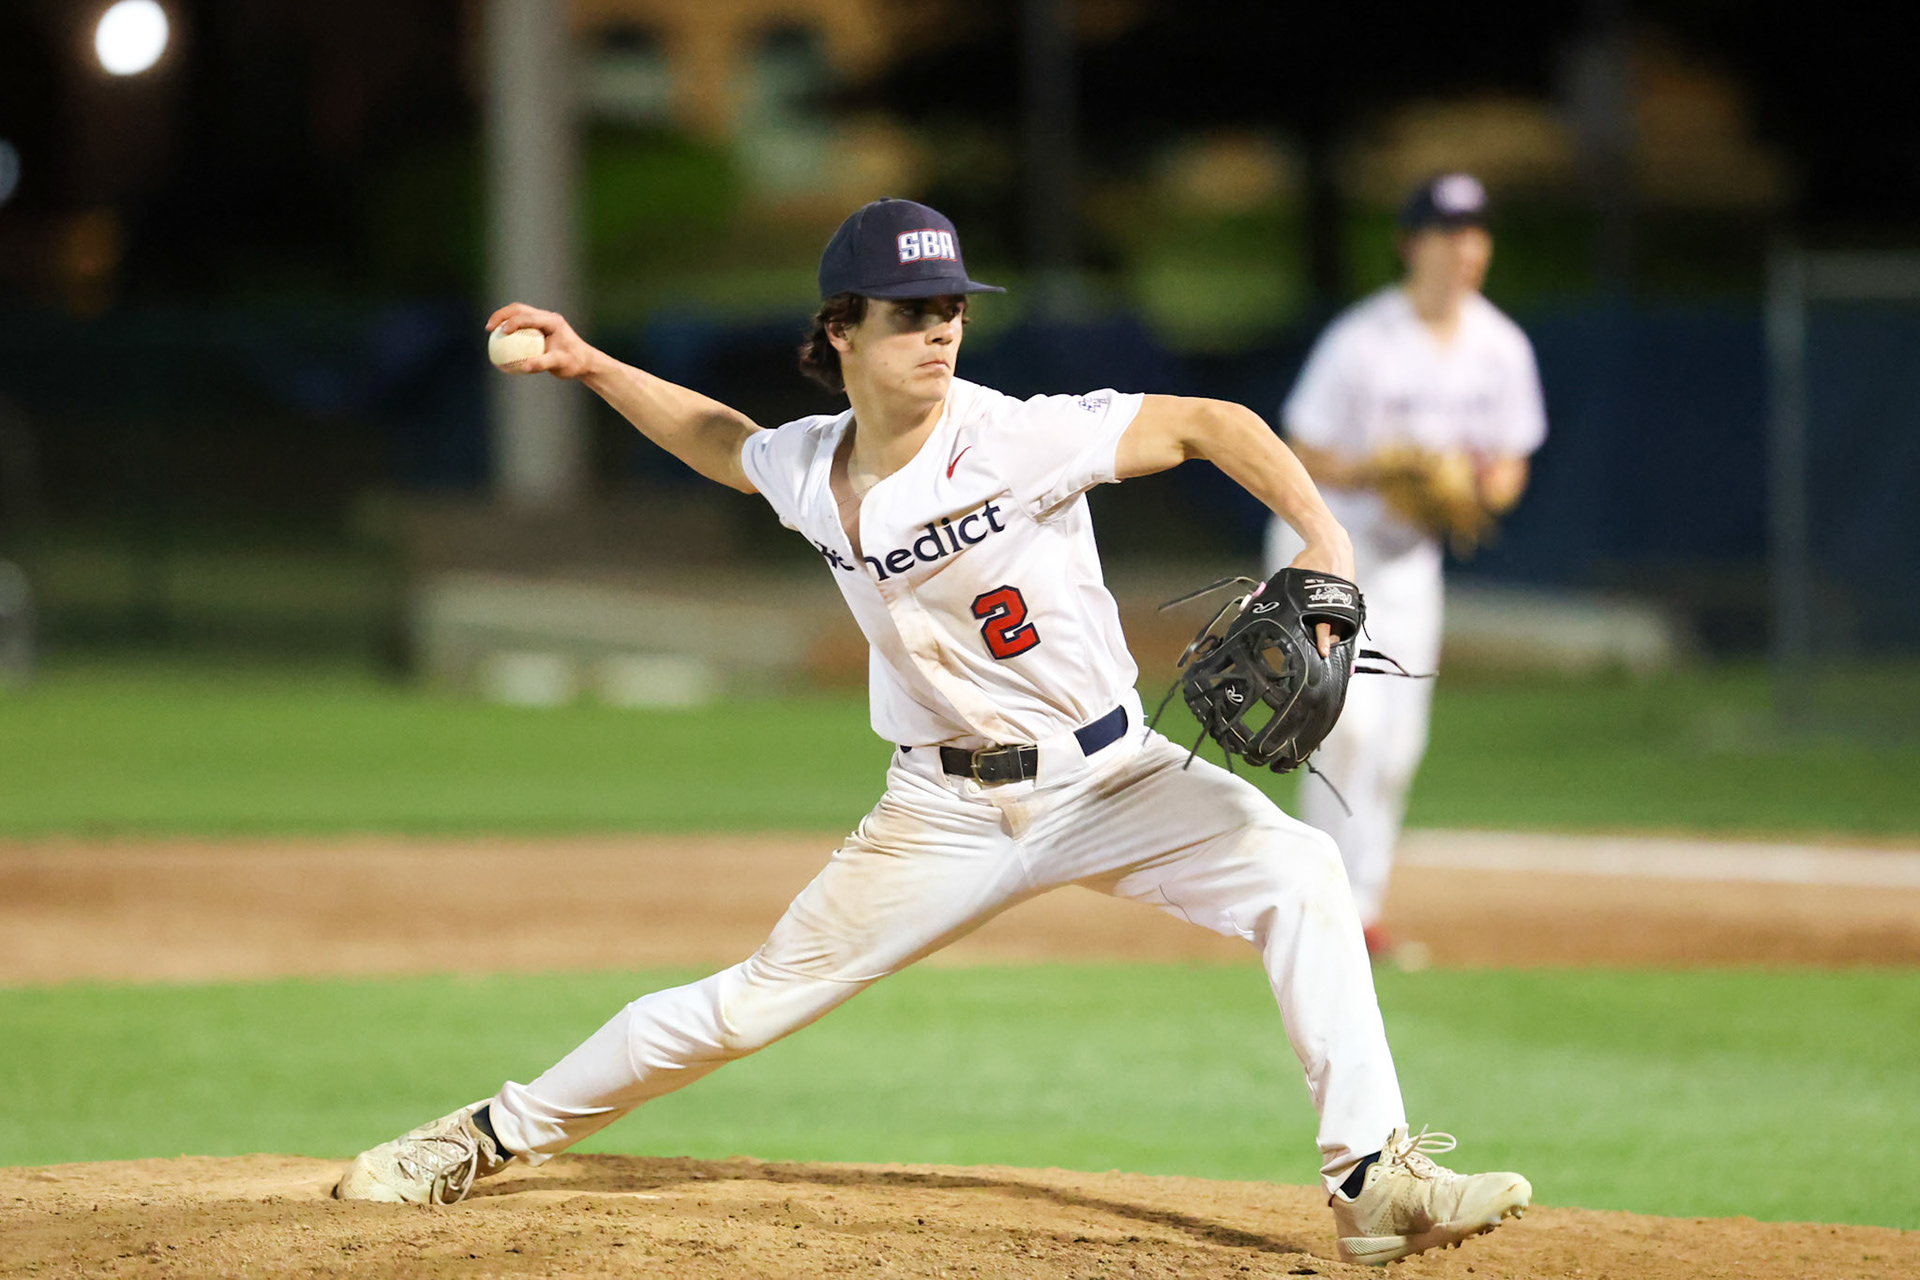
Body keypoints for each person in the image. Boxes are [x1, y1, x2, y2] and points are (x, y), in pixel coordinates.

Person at [335, 197, 1530, 1265]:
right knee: (746, 1005)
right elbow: (720, 442)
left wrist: (1323, 539)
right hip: (942, 810)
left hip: (1116, 773)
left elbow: (1213, 422)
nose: (941, 329)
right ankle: (482, 1133)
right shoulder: (816, 465)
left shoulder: (1017, 436)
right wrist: (592, 365)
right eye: (910, 311)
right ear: (842, 329)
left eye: (951, 305)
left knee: (1304, 870)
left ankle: (1372, 1181)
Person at [1265, 174, 1548, 965]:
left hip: (1411, 567)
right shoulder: (1363, 340)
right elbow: (1302, 448)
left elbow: (1513, 462)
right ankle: (1315, 902)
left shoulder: (1501, 348)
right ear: (1410, 244)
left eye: (1476, 233)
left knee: (1396, 749)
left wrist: (1481, 486)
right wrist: (1377, 470)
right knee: (1346, 727)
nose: (1464, 249)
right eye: (1447, 232)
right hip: (1329, 551)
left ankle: (1360, 912)